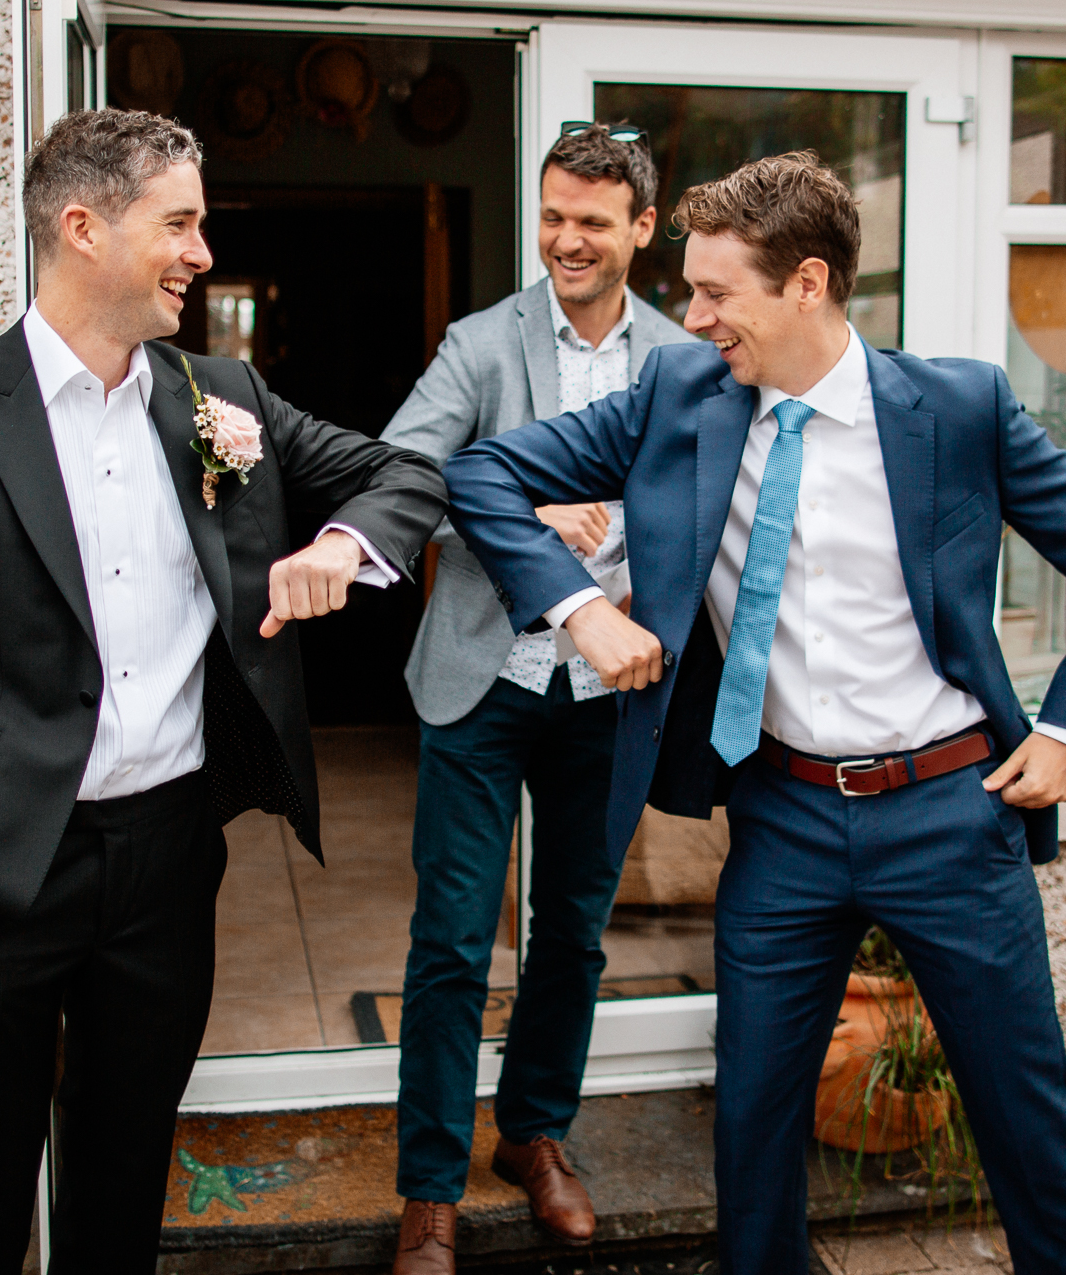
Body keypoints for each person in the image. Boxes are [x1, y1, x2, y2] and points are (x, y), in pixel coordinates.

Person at [443, 152, 1066, 1274]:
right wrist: (581, 610)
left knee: (1028, 1124)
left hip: (951, 815)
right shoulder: (685, 399)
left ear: (808, 283)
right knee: (752, 1125)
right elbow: (482, 474)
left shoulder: (958, 407)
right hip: (782, 817)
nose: (692, 314)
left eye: (717, 292)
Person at [0, 108, 446, 1275]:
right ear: (82, 226)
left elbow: (406, 469)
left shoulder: (222, 400)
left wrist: (343, 544)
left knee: (121, 1178)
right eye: (181, 222)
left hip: (165, 858)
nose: (202, 251)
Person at [378, 122, 696, 1275]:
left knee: (571, 931)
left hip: (609, 689)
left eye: (592, 222)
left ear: (642, 231)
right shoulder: (481, 342)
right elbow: (404, 473)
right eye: (552, 215)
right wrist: (518, 517)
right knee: (453, 939)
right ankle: (427, 1188)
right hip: (484, 676)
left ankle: (534, 1135)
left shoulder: (682, 355)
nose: (565, 238)